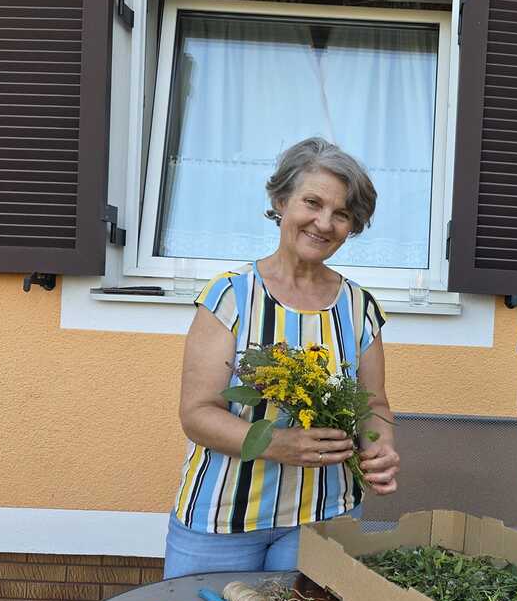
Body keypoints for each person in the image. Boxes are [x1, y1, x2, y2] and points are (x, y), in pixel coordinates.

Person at [164, 137, 399, 578]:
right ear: (280, 201)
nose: (324, 223)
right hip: (224, 520)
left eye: (342, 214)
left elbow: (373, 403)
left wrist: (379, 447)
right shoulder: (231, 296)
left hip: (325, 518)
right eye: (312, 202)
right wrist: (279, 444)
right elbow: (197, 414)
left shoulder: (358, 306)